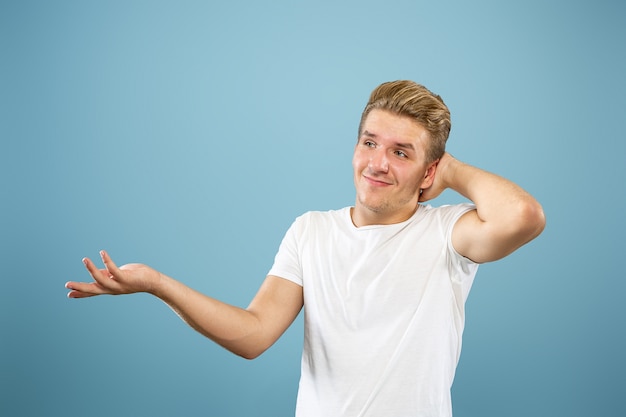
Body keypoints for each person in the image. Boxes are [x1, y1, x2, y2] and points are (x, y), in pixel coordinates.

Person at [66, 80, 546, 417]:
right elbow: (253, 335)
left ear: (429, 172)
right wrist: (156, 283)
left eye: (401, 152)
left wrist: (453, 171)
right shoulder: (311, 231)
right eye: (369, 142)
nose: (376, 164)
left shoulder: (449, 232)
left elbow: (523, 216)